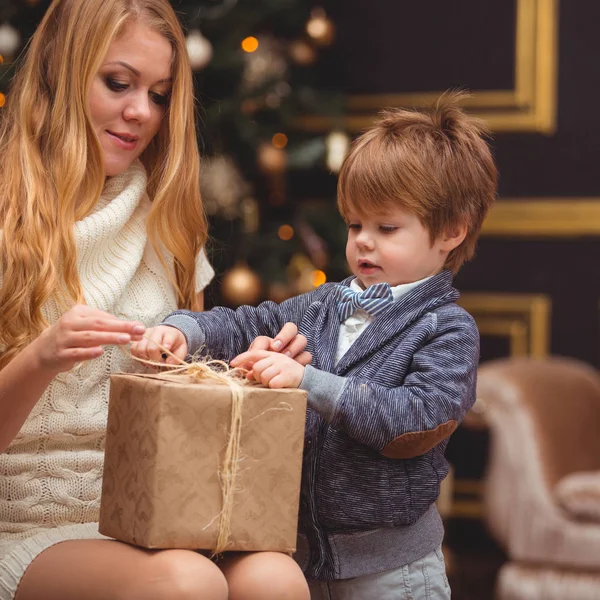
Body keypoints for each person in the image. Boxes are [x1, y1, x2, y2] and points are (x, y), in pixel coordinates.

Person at [0, 1, 310, 599]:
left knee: (277, 577)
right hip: (27, 526)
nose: (141, 112)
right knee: (185, 582)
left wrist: (243, 370)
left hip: (154, 516)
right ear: (63, 76)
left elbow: (189, 395)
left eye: (161, 95)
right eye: (118, 83)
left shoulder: (168, 225)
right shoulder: (12, 223)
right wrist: (40, 358)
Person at [134, 92, 498, 599]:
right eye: (355, 225)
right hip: (298, 560)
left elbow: (415, 422)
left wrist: (310, 383)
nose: (363, 241)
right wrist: (183, 330)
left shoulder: (447, 328)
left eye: (386, 227)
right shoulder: (325, 304)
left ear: (451, 233)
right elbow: (247, 322)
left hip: (394, 574)